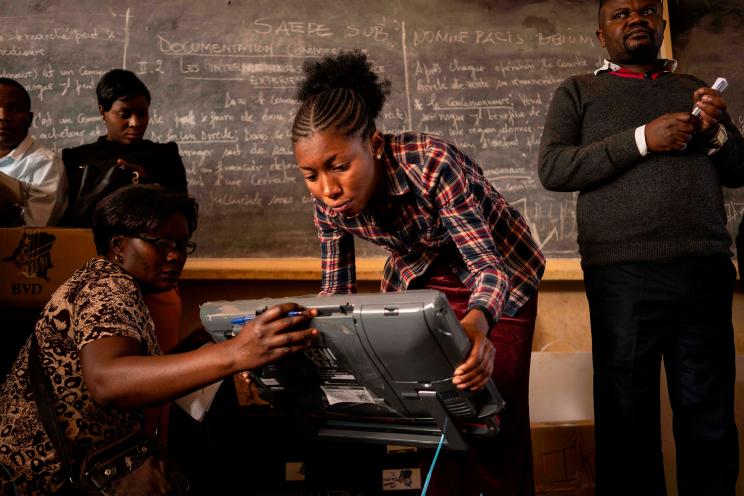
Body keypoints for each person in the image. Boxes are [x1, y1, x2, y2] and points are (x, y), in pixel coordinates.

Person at [291, 51, 545, 495]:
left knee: (489, 416)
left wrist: (479, 326)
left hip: (502, 273)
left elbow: (488, 265)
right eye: (310, 175)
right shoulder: (326, 198)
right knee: (434, 415)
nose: (328, 189)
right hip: (421, 283)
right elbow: (336, 290)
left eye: (339, 166)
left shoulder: (430, 161)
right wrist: (303, 337)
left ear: (372, 144)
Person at [538, 0, 744, 494]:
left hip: (704, 268)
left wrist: (716, 130)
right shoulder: (579, 91)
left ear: (661, 26)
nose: (636, 18)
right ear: (601, 34)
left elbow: (739, 171)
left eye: (647, 11)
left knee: (708, 416)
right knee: (626, 415)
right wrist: (642, 139)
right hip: (622, 273)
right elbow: (555, 168)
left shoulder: (691, 88)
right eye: (621, 13)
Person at [0, 184, 317, 494]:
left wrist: (199, 342)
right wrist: (236, 352)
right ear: (119, 245)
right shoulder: (110, 288)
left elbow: (122, 371)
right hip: (49, 477)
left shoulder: (99, 280)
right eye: (162, 243)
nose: (175, 256)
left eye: (182, 245)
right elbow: (108, 381)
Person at [60, 68, 187, 228]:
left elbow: (186, 218)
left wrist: (148, 185)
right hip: (91, 250)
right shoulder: (77, 159)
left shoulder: (165, 156)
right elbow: (70, 223)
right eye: (124, 114)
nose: (135, 123)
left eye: (142, 114)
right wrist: (105, 183)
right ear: (102, 112)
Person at [0, 77, 67, 226]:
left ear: (29, 119)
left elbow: (34, 231)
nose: (3, 117)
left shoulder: (45, 164)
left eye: (15, 109)